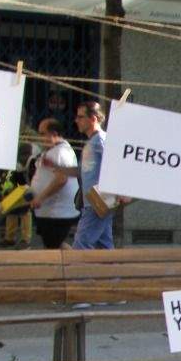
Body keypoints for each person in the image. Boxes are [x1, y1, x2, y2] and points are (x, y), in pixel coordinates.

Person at [61, 100, 116, 250]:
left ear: (93, 119)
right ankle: (112, 267)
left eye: (80, 117)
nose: (76, 120)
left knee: (81, 244)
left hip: (97, 201)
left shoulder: (100, 140)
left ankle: (76, 267)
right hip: (94, 202)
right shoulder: (92, 142)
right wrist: (57, 168)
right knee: (104, 247)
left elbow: (114, 164)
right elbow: (82, 171)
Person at [27, 118, 80, 249]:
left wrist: (40, 197)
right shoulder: (55, 150)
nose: (39, 137)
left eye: (42, 134)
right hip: (50, 211)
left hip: (56, 212)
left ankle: (78, 260)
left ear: (54, 134)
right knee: (54, 245)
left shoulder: (61, 152)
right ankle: (76, 259)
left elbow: (61, 179)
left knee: (53, 247)